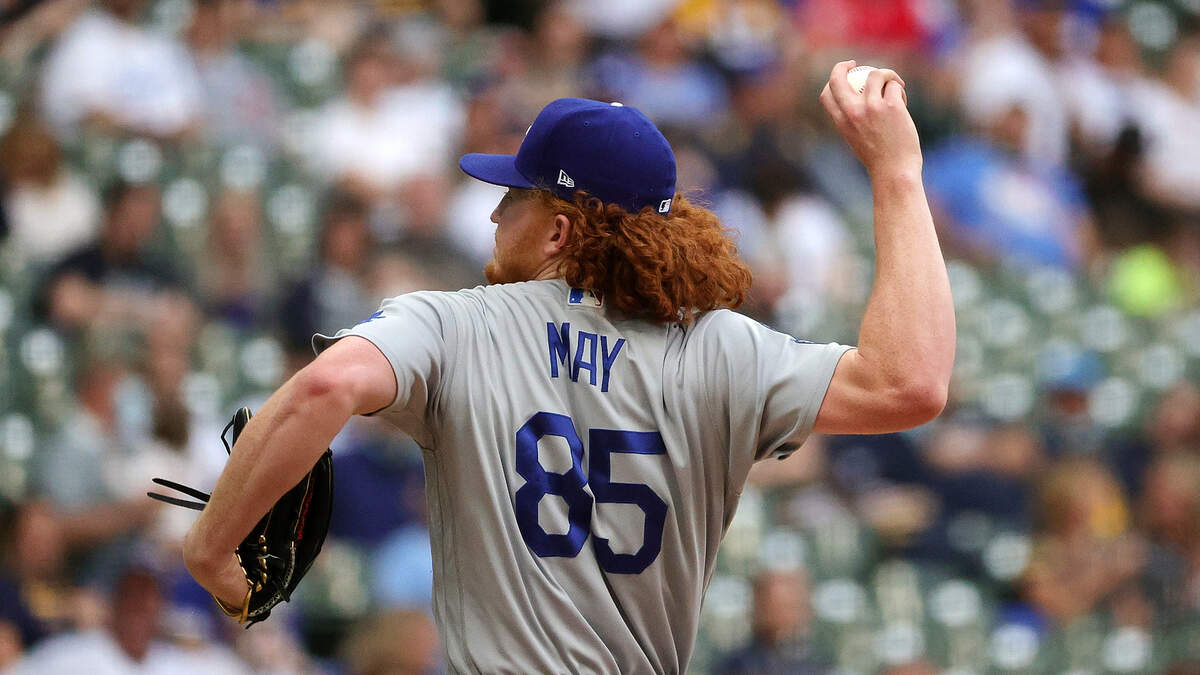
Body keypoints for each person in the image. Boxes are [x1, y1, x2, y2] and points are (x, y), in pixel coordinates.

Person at [181, 62, 954, 673]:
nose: (493, 213)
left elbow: (325, 384)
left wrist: (212, 548)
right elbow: (910, 384)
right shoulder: (720, 349)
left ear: (558, 231)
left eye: (513, 196)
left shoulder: (457, 325)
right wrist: (897, 174)